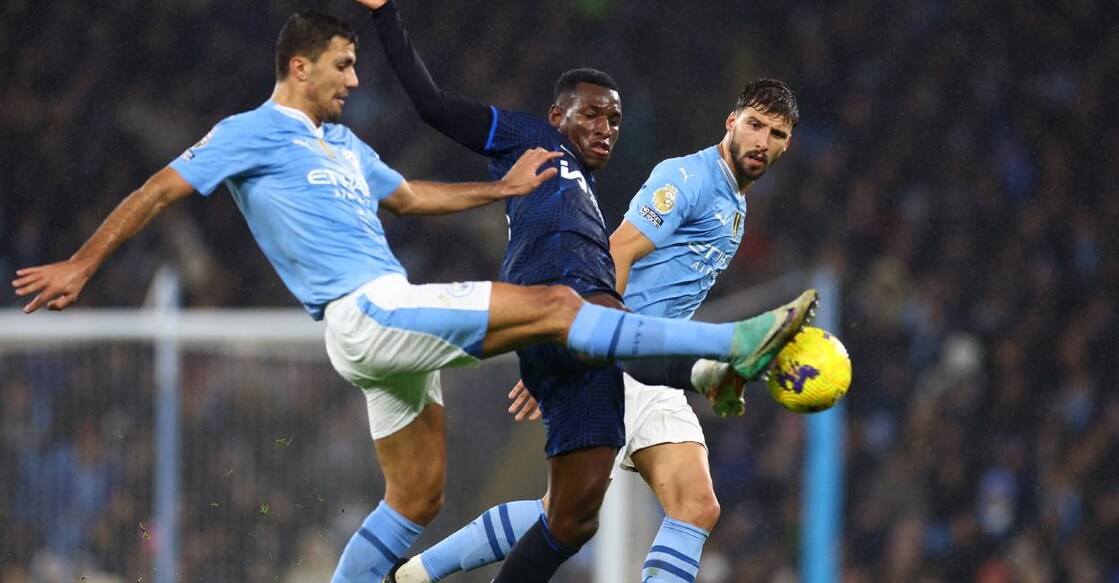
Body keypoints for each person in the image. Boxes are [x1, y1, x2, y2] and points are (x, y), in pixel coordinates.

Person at [12, 9, 814, 583]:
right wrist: (82, 263)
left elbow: (408, 199)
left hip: (389, 332)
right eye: (343, 65)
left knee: (425, 500)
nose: (355, 80)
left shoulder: (348, 145)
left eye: (358, 66)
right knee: (573, 321)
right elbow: (160, 186)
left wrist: (493, 189)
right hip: (368, 309)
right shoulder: (250, 130)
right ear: (299, 66)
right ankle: (731, 342)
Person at [358, 2, 815, 582]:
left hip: (628, 352)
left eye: (776, 134)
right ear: (731, 121)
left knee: (608, 512)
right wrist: (583, 335)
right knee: (606, 512)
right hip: (628, 350)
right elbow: (617, 253)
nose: (762, 140)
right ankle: (720, 357)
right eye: (754, 124)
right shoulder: (688, 179)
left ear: (786, 146)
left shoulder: (731, 206)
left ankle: (413, 575)